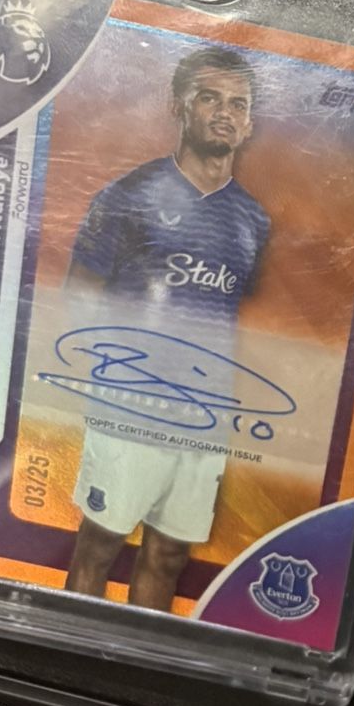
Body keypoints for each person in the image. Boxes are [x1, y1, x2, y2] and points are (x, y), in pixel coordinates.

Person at [63, 46, 270, 612]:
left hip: (203, 416)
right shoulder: (129, 195)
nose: (225, 112)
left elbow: (225, 310)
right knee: (100, 543)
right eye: (210, 98)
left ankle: (135, 660)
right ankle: (70, 654)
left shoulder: (252, 219)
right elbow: (79, 292)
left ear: (249, 122)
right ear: (180, 106)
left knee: (168, 556)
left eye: (238, 103)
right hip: (131, 404)